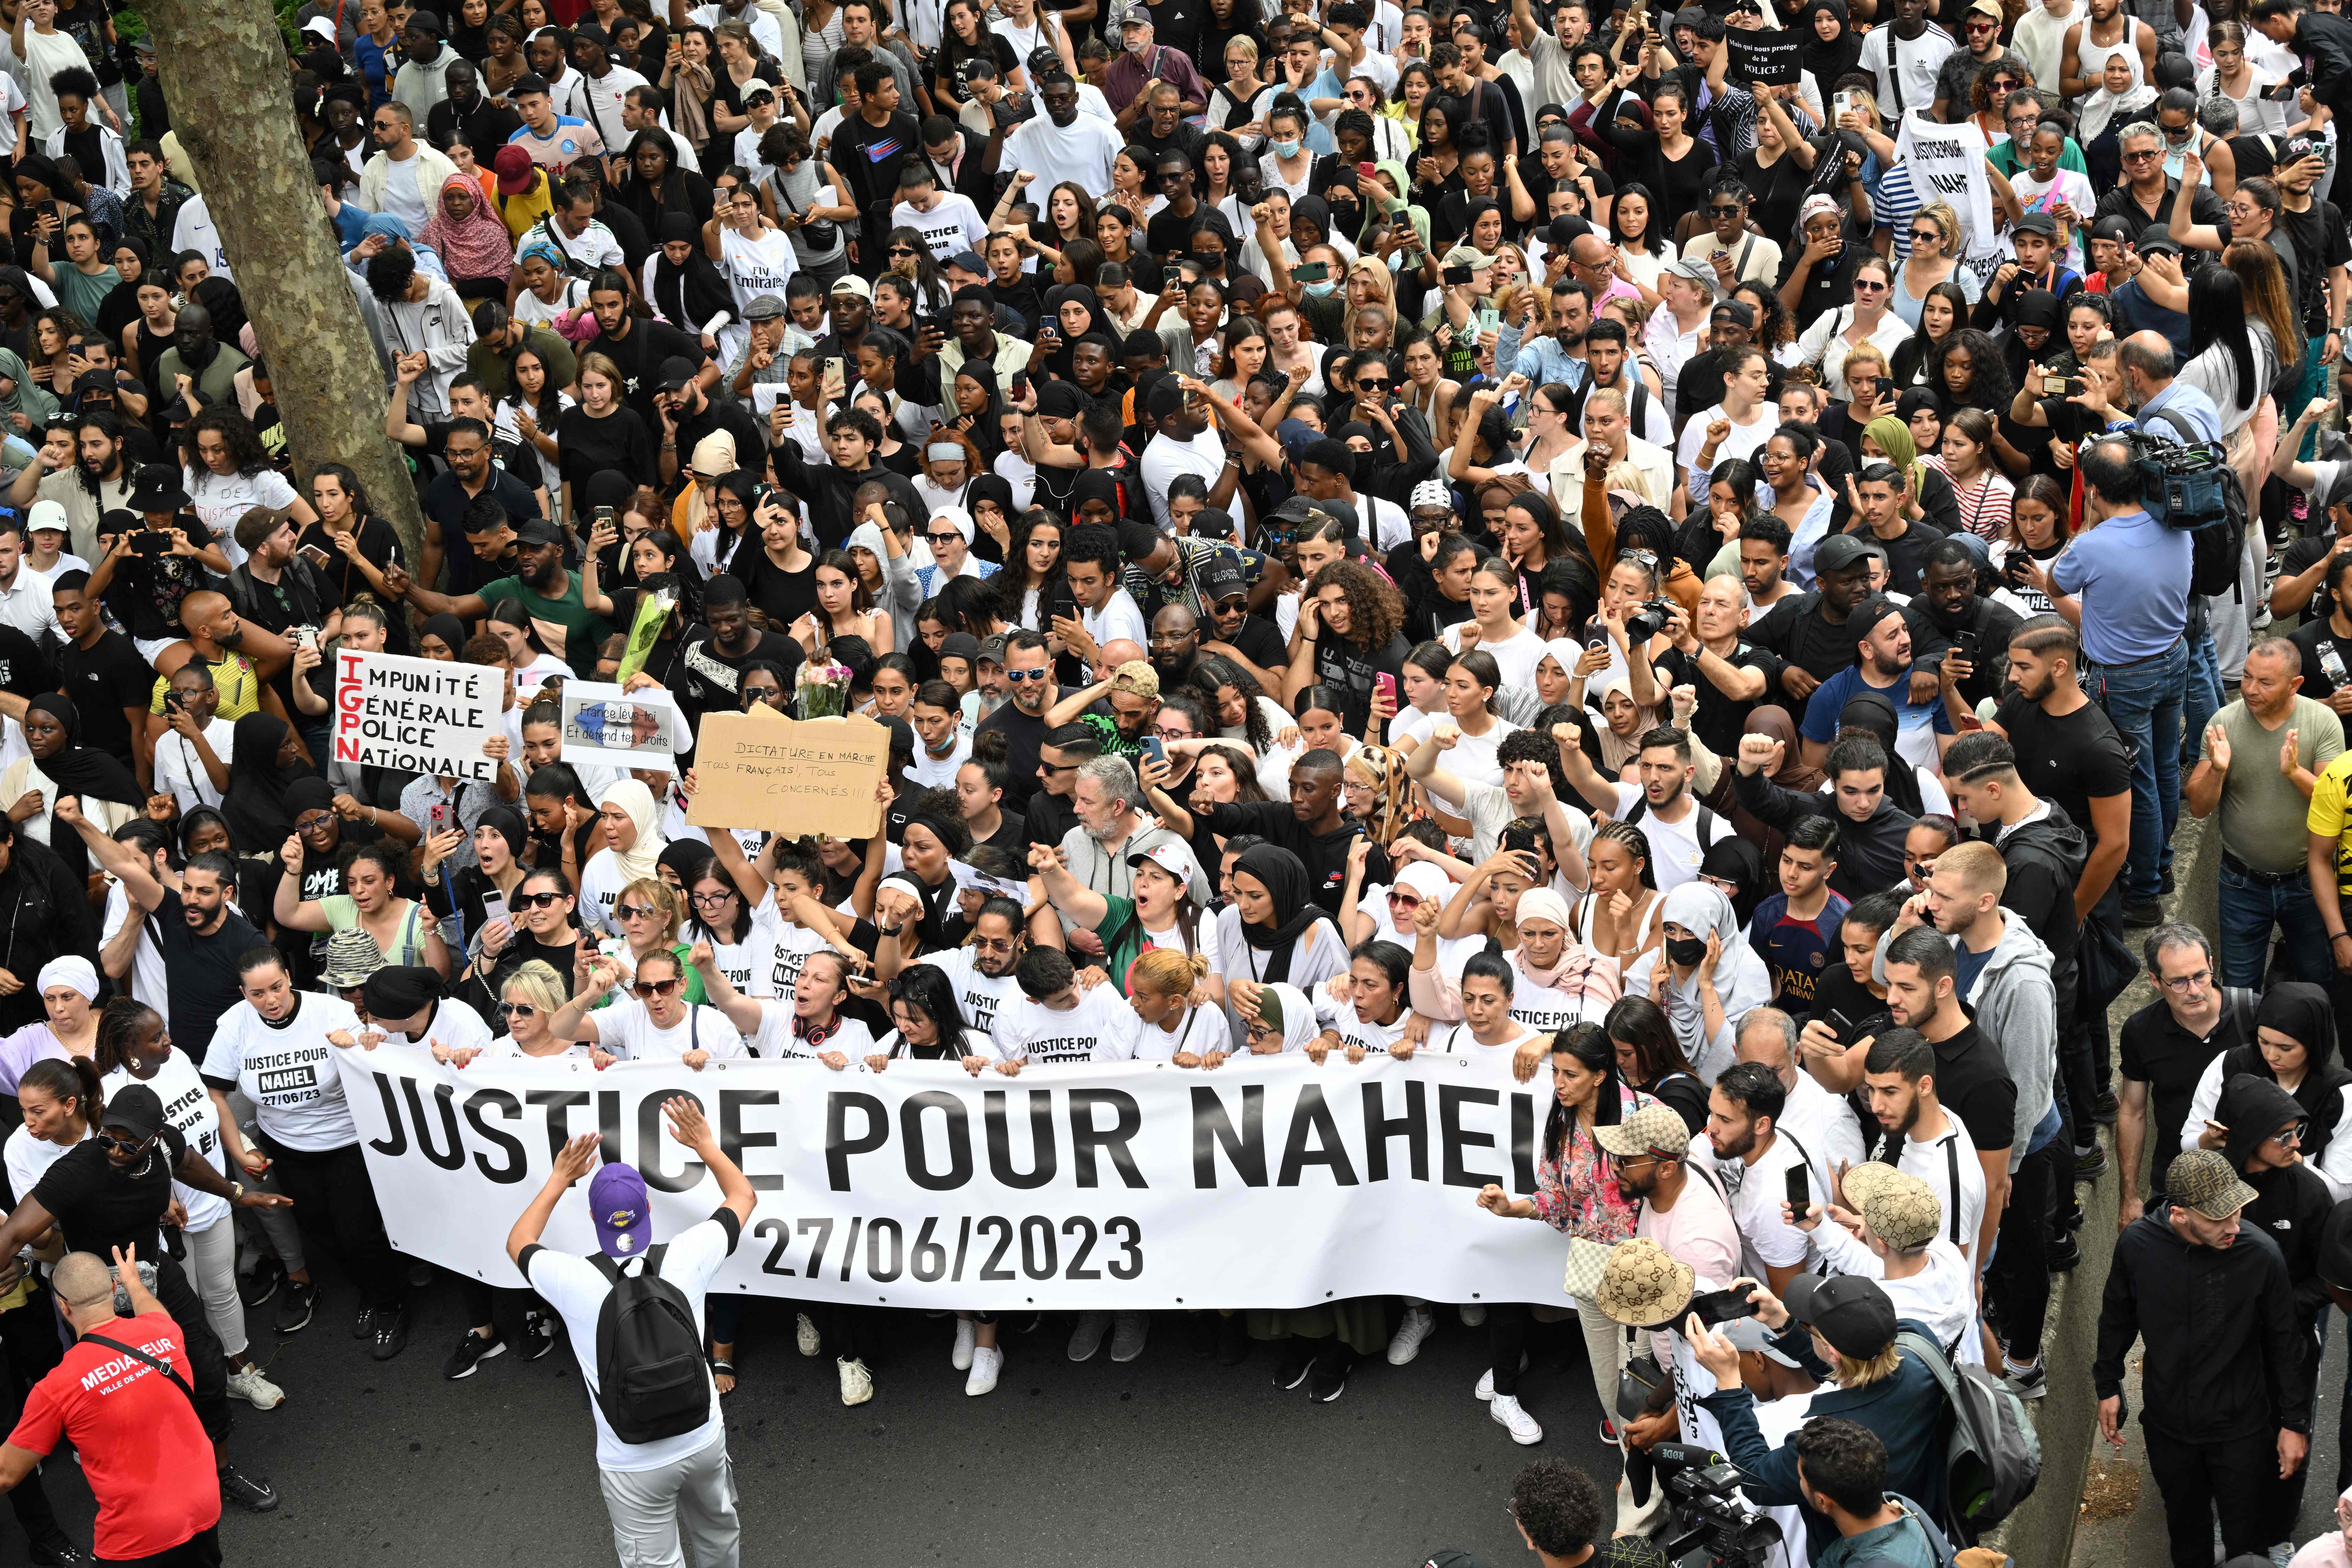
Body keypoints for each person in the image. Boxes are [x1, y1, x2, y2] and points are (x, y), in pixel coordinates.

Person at [0, 1081, 289, 1518]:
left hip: (153, 1270)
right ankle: (145, 1493)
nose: (116, 1150)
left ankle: (220, 1470)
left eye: (130, 1145)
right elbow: (15, 1232)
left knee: (206, 1367)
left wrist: (236, 1194)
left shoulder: (166, 1147)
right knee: (122, 1401)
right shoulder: (77, 1169)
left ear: (155, 1139)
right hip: (99, 1294)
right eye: (109, 1139)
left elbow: (190, 1164)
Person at [507, 1095, 754, 1568]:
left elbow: (519, 1240)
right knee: (719, 1535)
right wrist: (704, 1144)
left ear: (593, 1219)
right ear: (647, 1205)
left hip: (631, 1457)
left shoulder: (573, 1279)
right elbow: (743, 1195)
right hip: (702, 1435)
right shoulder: (688, 1255)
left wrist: (560, 1178)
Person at [2095, 1149, 2313, 1568]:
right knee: (2186, 1534)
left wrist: (2293, 1424)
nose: (2235, 1226)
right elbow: (2117, 1316)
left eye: (2237, 1212)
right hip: (2168, 1427)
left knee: (2245, 1542)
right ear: (2179, 1214)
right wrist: (2107, 1385)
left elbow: (2287, 1347)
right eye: (2219, 1218)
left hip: (2242, 1431)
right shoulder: (2137, 1245)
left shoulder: (2261, 1255)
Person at [1688, 1273, 1951, 1563]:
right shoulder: (1918, 1344)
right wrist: (1783, 1322)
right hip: (1924, 1523)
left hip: (1852, 1554)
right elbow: (1849, 1366)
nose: (1802, 1323)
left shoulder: (1832, 1443)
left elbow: (1754, 1477)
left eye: (1808, 1326)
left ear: (1833, 1352)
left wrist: (1729, 1382)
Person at [0, 1248, 223, 1567]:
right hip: (204, 1505)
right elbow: (154, 1310)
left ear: (62, 1306)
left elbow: (7, 1473)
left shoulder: (56, 1387)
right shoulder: (164, 1331)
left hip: (137, 1537)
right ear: (114, 1288)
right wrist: (134, 1281)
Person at [2049, 434, 2193, 926]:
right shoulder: (2176, 522)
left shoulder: (2093, 545)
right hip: (2174, 658)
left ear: (2093, 488)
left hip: (2125, 678)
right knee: (2168, 766)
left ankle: (2145, 891)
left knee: (2142, 782)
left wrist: (2088, 527)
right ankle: (2164, 866)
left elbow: (2056, 585)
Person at [2189, 638, 2345, 986]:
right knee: (2239, 987)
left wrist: (2294, 773)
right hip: (2241, 882)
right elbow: (2198, 808)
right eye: (2246, 677)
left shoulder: (2322, 721)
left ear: (2295, 685)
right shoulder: (2223, 722)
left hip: (2308, 881)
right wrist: (2216, 770)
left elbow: (2334, 804)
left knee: (2317, 980)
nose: (2250, 689)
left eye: (2265, 682)